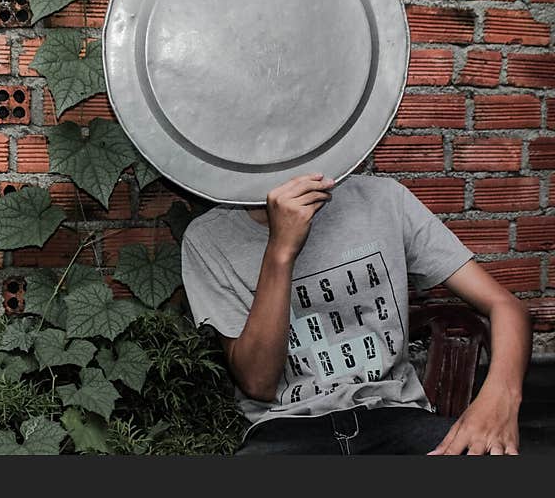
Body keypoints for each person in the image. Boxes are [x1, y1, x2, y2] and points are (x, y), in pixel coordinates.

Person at [180, 172, 531, 455]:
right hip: (285, 433)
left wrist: (500, 397)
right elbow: (257, 382)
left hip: (396, 419)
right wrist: (281, 249)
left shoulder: (383, 199)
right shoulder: (208, 237)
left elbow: (505, 306)